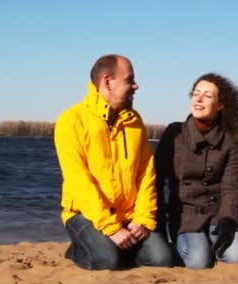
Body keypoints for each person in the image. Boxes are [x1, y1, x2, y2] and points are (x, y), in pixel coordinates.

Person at [53, 54, 174, 270]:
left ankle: (114, 247)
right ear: (108, 82)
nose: (136, 85)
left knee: (161, 259)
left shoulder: (135, 121)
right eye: (130, 79)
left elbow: (147, 173)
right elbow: (78, 181)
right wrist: (111, 228)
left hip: (130, 217)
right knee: (106, 260)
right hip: (85, 215)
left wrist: (143, 219)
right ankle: (77, 249)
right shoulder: (71, 121)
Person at [155, 73, 238, 269]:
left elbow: (231, 187)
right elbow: (156, 179)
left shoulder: (229, 139)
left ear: (220, 105)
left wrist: (229, 218)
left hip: (218, 214)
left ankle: (209, 242)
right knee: (198, 261)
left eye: (207, 95)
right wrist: (158, 225)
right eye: (196, 94)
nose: (198, 99)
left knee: (237, 255)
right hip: (185, 216)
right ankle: (192, 245)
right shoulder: (175, 133)